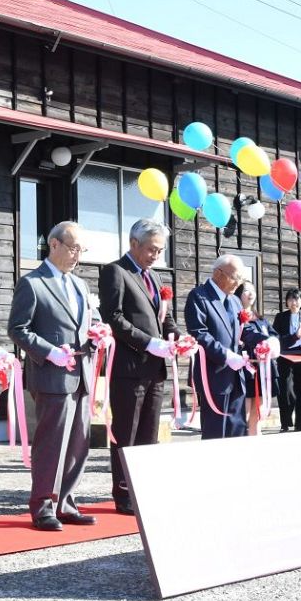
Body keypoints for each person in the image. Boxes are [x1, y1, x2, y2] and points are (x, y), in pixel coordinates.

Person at [8, 221, 99, 531]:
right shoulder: (32, 283)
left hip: (81, 374)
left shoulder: (80, 285)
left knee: (78, 443)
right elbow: (18, 329)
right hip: (51, 377)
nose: (78, 256)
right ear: (54, 245)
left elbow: (88, 321)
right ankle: (43, 506)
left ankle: (66, 502)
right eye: (73, 248)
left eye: (81, 250)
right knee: (51, 444)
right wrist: (49, 351)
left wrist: (99, 332)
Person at [99, 218, 179, 515]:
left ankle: (143, 488)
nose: (156, 255)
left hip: (155, 367)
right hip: (129, 367)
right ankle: (123, 493)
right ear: (134, 243)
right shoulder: (115, 272)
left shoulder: (155, 277)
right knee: (127, 432)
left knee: (149, 433)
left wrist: (179, 338)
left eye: (160, 250)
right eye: (151, 249)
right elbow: (114, 318)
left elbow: (164, 319)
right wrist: (148, 343)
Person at [184, 255, 249, 440]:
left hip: (236, 377)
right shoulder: (199, 296)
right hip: (213, 376)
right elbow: (199, 333)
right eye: (235, 277)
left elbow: (243, 331)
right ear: (218, 273)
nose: (239, 283)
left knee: (237, 432)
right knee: (215, 434)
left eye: (241, 279)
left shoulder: (235, 301)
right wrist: (226, 355)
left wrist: (265, 342)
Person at [234, 283, 287, 436]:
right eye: (246, 291)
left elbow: (274, 334)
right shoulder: (237, 316)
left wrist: (273, 342)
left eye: (252, 290)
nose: (250, 294)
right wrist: (267, 341)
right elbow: (248, 335)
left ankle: (255, 438)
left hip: (263, 368)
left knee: (258, 409)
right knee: (245, 409)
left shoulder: (260, 318)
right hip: (247, 367)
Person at [272, 289, 301, 432]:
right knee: (285, 390)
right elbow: (276, 339)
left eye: (296, 299)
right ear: (286, 302)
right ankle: (285, 423)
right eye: (290, 299)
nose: (294, 302)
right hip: (285, 356)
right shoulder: (280, 317)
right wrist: (295, 336)